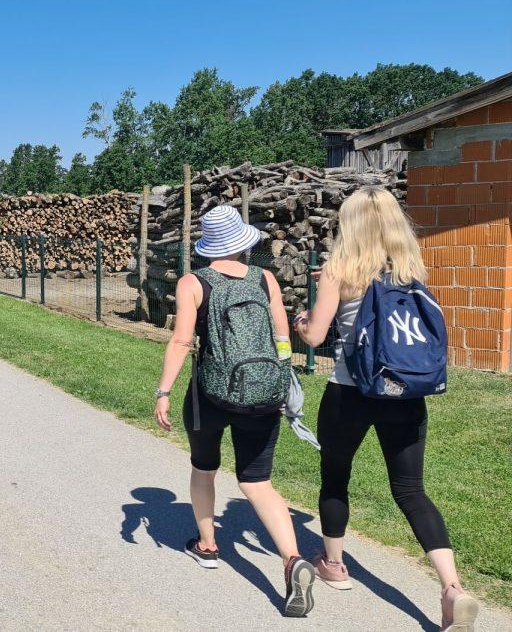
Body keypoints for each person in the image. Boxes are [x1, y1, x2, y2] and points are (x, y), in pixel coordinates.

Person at [294, 187, 477, 631]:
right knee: (411, 490)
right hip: (406, 392)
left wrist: (302, 320)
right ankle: (452, 588)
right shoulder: (411, 268)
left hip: (350, 392)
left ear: (350, 224)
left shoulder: (340, 269)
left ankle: (334, 566)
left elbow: (316, 337)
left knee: (336, 478)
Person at [154, 206, 315, 618]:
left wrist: (164, 391)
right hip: (262, 391)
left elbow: (181, 342)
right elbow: (283, 336)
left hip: (211, 392)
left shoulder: (194, 282)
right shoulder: (266, 279)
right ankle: (293, 559)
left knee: (205, 468)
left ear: (208, 246)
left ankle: (207, 545)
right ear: (243, 243)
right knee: (258, 482)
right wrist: (280, 375)